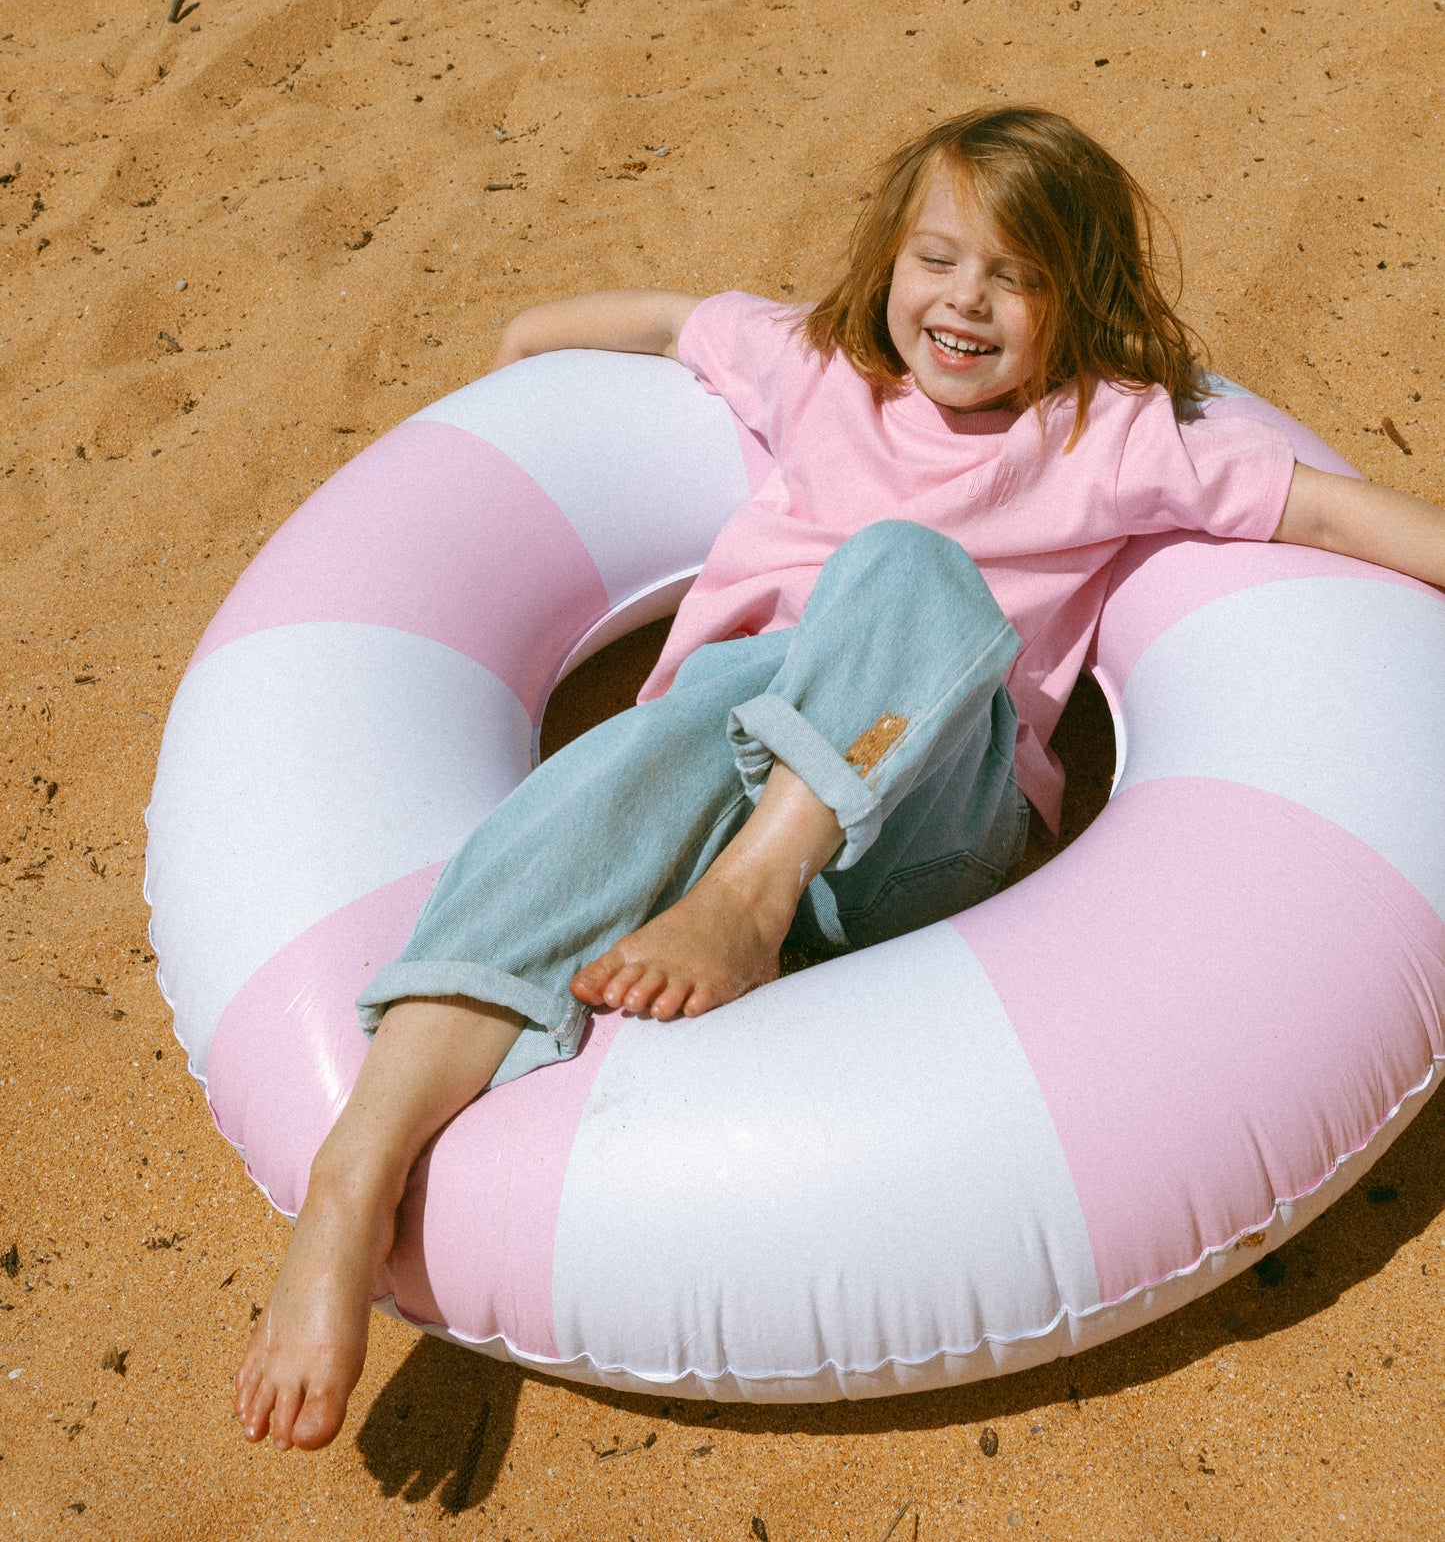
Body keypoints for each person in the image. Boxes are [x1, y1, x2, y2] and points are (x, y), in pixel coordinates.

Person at [234, 104, 1445, 1450]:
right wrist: (523, 353)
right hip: (715, 779)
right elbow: (655, 322)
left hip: (918, 823)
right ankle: (355, 1177)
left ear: (1076, 299)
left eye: (1015, 275)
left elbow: (1330, 513)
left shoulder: (1107, 437)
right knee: (676, 726)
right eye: (937, 259)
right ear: (885, 264)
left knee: (904, 564)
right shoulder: (814, 371)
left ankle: (753, 898)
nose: (963, 301)